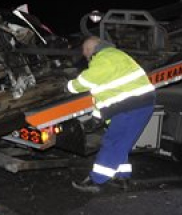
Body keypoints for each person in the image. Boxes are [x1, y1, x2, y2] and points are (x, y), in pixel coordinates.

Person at [67, 36, 156, 193]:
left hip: (131, 106)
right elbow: (104, 93)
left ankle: (96, 180)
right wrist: (98, 115)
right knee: (121, 143)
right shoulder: (115, 55)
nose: (84, 55)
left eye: (84, 51)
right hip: (135, 105)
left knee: (113, 142)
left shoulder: (104, 59)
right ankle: (122, 178)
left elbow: (87, 81)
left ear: (89, 49)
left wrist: (68, 86)